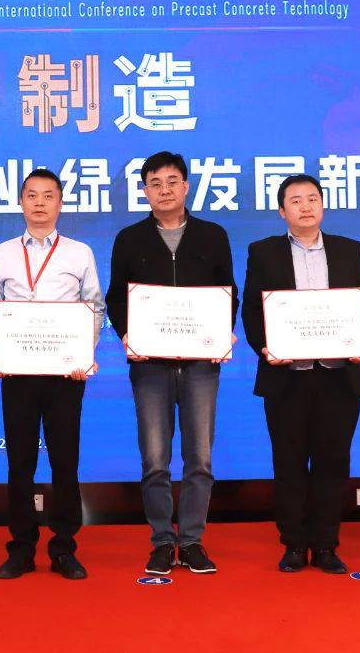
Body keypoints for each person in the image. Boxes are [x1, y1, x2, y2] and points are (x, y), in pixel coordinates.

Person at [104, 151, 237, 576]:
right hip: (150, 364)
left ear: (186, 186)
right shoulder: (129, 239)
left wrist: (222, 331)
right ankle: (162, 541)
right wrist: (128, 335)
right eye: (155, 183)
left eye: (172, 181)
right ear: (145, 191)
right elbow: (116, 297)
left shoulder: (213, 235)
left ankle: (192, 541)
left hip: (200, 363)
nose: (165, 190)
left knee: (200, 457)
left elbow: (227, 291)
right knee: (155, 457)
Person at [241, 174, 360, 575]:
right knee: (289, 463)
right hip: (287, 376)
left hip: (338, 375)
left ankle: (327, 544)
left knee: (333, 463)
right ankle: (294, 544)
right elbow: (253, 309)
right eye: (296, 200)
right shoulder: (263, 251)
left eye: (312, 198)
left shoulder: (349, 249)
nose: (306, 206)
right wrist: (265, 347)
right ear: (282, 211)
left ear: (322, 205)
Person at [0, 169, 104, 580]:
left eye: (48, 195)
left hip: (66, 376)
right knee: (20, 464)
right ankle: (21, 548)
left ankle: (64, 547)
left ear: (60, 203)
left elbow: (94, 307)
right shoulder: (2, 253)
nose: (39, 203)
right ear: (20, 202)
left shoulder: (79, 253)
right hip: (17, 374)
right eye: (31, 195)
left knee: (65, 463)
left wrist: (83, 352)